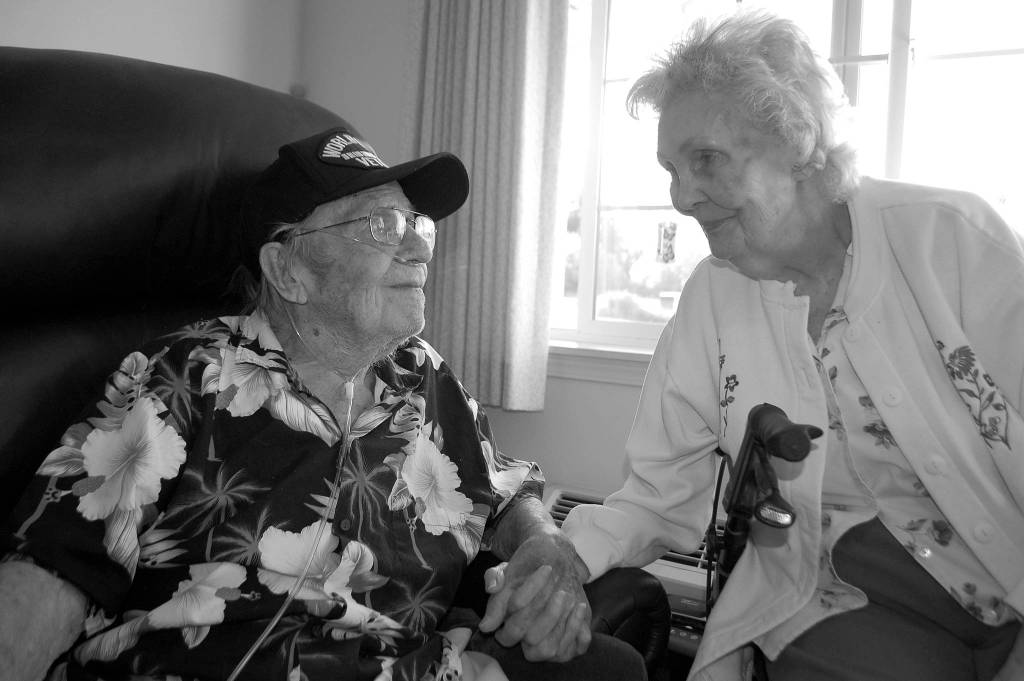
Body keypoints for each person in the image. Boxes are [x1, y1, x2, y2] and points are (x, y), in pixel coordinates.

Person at [0, 127, 645, 681]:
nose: (420, 246)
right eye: (381, 225)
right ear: (288, 270)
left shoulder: (421, 376)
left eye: (416, 225)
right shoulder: (177, 382)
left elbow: (505, 489)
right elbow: (52, 572)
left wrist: (543, 546)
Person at [561, 10, 1024, 681]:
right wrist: (567, 554)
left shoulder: (951, 241)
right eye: (670, 168)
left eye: (706, 159)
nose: (681, 196)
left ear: (799, 138)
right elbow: (660, 492)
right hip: (845, 592)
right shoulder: (712, 297)